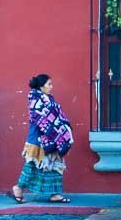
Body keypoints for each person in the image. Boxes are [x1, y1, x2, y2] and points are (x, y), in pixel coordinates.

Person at [10, 73, 74, 203]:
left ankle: (55, 194)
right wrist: (56, 130)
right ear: (41, 86)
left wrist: (61, 131)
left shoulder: (48, 98)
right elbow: (42, 119)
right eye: (49, 84)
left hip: (52, 138)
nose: (52, 86)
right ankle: (18, 188)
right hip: (38, 139)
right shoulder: (36, 100)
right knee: (32, 164)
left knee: (55, 164)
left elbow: (56, 117)